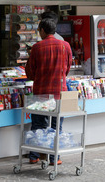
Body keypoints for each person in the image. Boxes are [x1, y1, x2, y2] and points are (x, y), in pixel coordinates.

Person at [25, 18, 72, 165]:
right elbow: (67, 69)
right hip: (60, 94)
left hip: (41, 94)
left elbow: (30, 72)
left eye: (39, 31)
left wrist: (38, 77)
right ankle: (54, 158)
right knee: (56, 126)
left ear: (43, 31)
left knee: (37, 124)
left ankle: (34, 156)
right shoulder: (65, 46)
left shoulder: (37, 48)